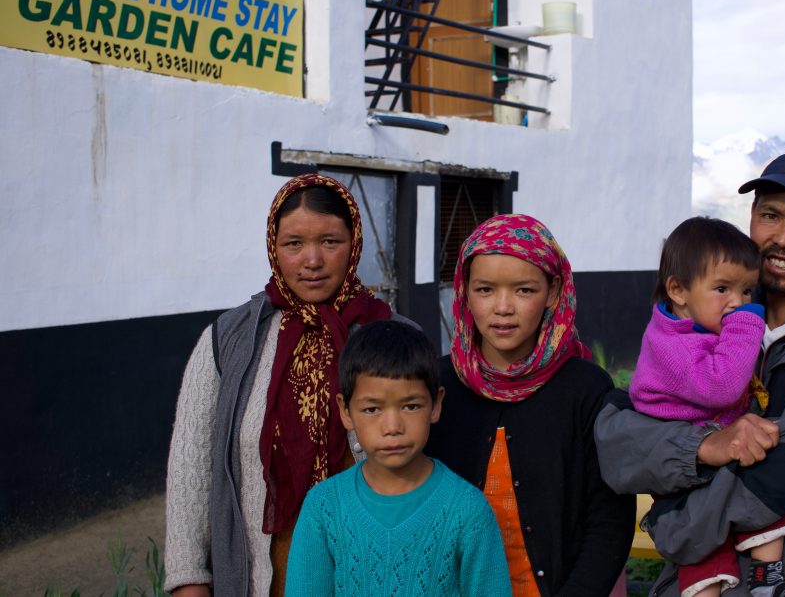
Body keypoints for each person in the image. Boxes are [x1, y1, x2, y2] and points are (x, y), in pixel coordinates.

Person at [595, 150, 785, 597]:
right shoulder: (707, 315)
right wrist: (705, 445)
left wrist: (677, 527)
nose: (783, 238)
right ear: (751, 215)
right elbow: (618, 445)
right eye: (771, 215)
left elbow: (778, 468)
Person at [165, 173, 398, 597]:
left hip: (372, 570)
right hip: (264, 576)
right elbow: (190, 468)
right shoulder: (229, 339)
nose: (312, 260)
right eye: (294, 243)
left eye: (330, 241)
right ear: (274, 247)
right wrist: (189, 579)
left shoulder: (392, 334)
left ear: (355, 243)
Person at [424, 214, 635, 597]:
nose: (503, 307)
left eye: (523, 290)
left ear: (553, 292)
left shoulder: (585, 389)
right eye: (485, 289)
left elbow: (608, 520)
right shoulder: (437, 387)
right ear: (464, 291)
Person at [628, 217, 785, 597]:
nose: (737, 302)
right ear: (678, 290)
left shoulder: (694, 328)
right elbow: (721, 386)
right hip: (685, 477)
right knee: (703, 542)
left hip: (711, 454)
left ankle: (767, 577)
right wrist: (746, 326)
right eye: (722, 289)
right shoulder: (672, 345)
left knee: (762, 492)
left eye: (747, 291)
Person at [284, 320, 512, 596]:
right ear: (345, 411)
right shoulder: (324, 508)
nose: (392, 427)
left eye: (411, 406)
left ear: (436, 404)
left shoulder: (467, 511)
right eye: (372, 409)